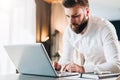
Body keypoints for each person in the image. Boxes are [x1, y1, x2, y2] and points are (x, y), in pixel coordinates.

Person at [54, 0, 120, 73]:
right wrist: (59, 66)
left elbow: (116, 66)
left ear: (87, 12)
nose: (70, 22)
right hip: (86, 76)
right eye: (68, 16)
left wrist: (83, 69)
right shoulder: (69, 31)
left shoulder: (105, 28)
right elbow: (66, 58)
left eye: (75, 16)